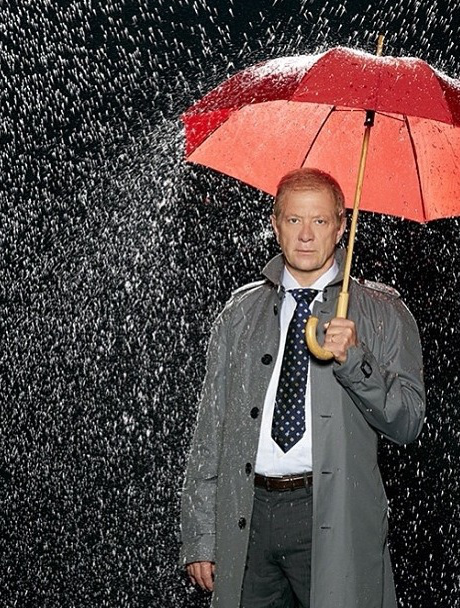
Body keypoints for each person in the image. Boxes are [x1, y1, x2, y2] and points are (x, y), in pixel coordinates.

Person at [179, 168, 426, 608]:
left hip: (332, 514)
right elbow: (209, 431)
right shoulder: (240, 312)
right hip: (248, 515)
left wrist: (356, 360)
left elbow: (407, 422)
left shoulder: (383, 312)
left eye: (320, 220)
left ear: (341, 227)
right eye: (294, 220)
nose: (306, 235)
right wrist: (201, 534)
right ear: (275, 225)